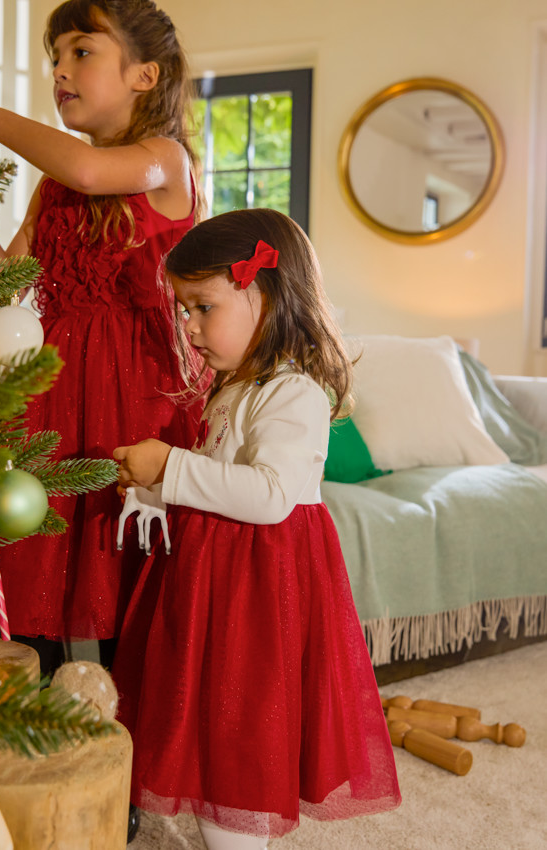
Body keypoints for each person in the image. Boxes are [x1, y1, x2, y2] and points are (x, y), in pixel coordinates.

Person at [112, 208, 401, 849]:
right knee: (209, 714)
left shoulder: (293, 392)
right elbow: (220, 481)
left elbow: (270, 496)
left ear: (263, 296)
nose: (187, 327)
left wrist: (173, 467)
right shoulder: (234, 386)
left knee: (242, 724)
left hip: (258, 591)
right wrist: (156, 489)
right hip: (214, 579)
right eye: (182, 309)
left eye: (201, 308)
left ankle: (238, 832)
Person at [0, 0, 202, 670]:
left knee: (125, 560)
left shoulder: (165, 161)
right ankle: (44, 717)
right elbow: (3, 278)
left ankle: (130, 730)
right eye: (55, 58)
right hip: (53, 390)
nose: (60, 71)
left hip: (137, 394)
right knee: (39, 552)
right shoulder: (55, 187)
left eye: (82, 52)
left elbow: (89, 170)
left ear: (145, 76)